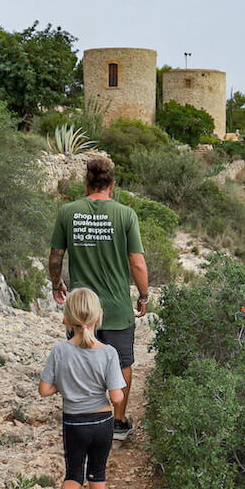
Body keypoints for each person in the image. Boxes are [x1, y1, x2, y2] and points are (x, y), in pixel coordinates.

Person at [48, 156, 148, 440]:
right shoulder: (126, 215)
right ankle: (118, 422)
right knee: (122, 362)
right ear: (112, 185)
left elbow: (55, 257)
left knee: (81, 358)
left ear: (86, 183)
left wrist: (56, 284)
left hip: (81, 307)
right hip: (116, 307)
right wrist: (143, 295)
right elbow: (137, 263)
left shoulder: (68, 212)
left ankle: (83, 416)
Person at [39, 287, 127, 489]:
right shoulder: (108, 352)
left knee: (74, 474)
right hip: (101, 422)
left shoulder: (59, 351)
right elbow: (117, 397)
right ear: (99, 317)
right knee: (97, 475)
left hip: (74, 423)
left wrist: (65, 385)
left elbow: (44, 389)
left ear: (66, 319)